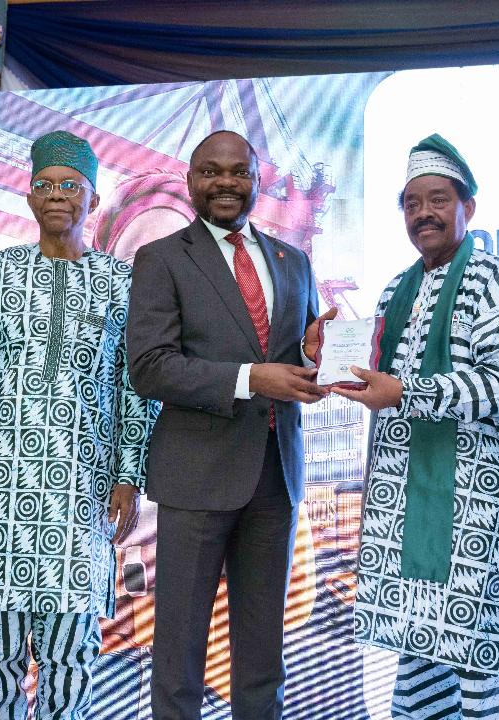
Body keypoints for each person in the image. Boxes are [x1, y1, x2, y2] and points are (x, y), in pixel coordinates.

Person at [0, 129, 158, 719]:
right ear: (29, 196)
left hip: (81, 499)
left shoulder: (122, 282)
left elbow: (135, 386)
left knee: (71, 660)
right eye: (45, 185)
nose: (57, 195)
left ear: (93, 199)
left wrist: (129, 475)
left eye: (71, 186)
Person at [331, 135, 499, 718]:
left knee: (484, 684)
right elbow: (374, 374)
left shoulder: (497, 280)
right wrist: (325, 356)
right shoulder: (397, 289)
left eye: (437, 200)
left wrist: (405, 393)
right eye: (411, 203)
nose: (423, 214)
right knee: (420, 681)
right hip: (407, 517)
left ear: (468, 207)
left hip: (483, 517)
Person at [127, 129, 332, 720]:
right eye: (211, 171)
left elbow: (297, 361)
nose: (226, 183)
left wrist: (316, 359)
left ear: (257, 180)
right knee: (179, 653)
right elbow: (150, 367)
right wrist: (251, 378)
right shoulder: (161, 258)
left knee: (265, 653)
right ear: (191, 180)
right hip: (196, 478)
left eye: (239, 171)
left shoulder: (294, 262)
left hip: (277, 477)